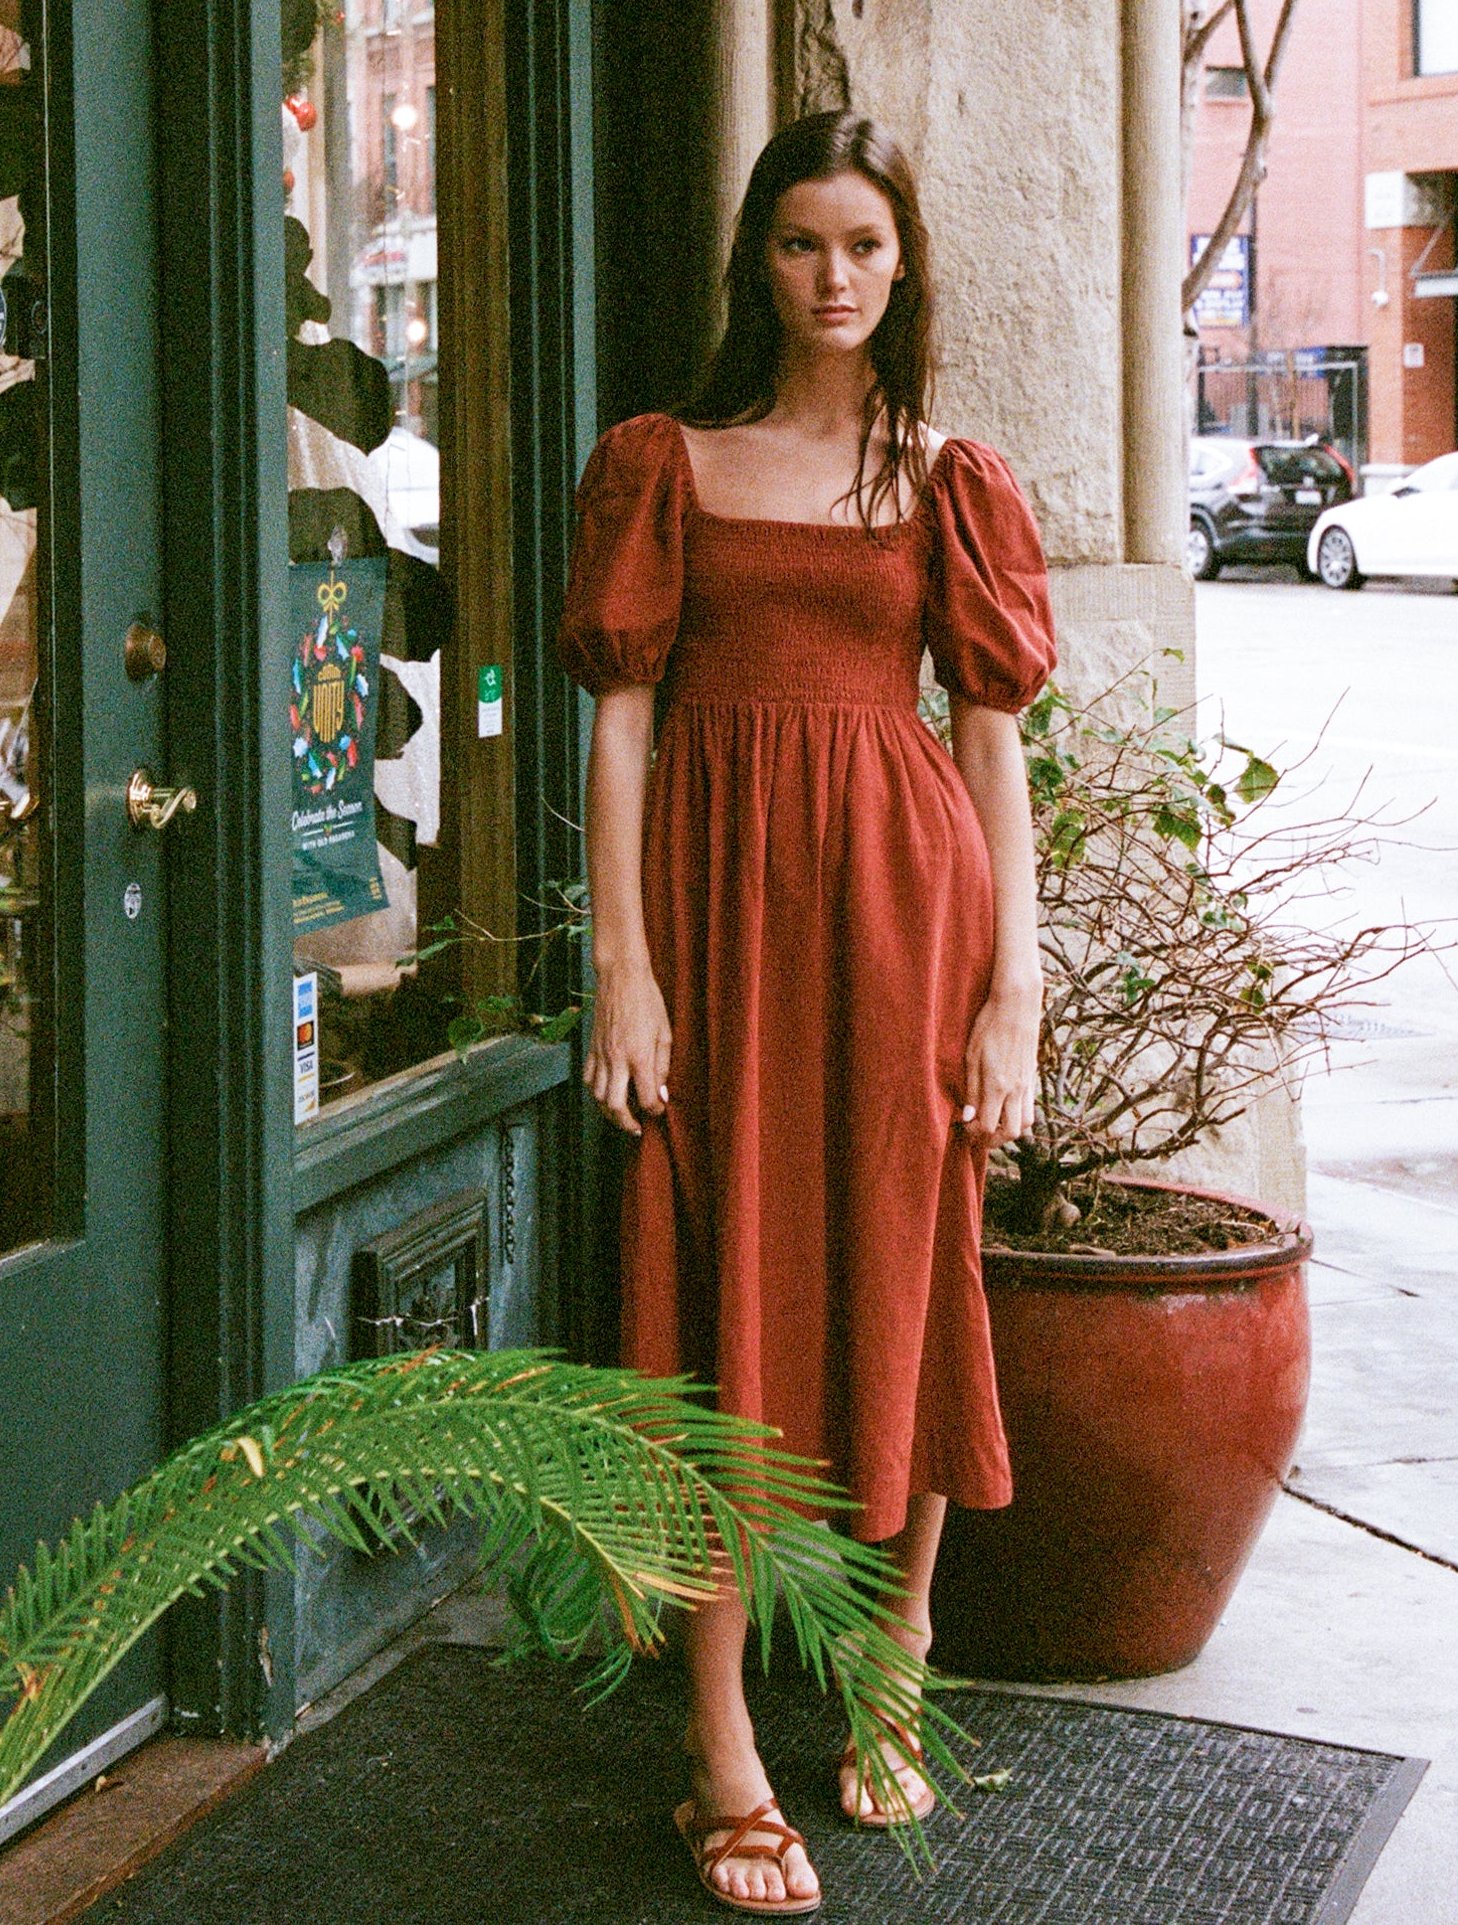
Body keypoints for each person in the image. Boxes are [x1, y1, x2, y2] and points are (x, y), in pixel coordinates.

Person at [558, 110, 1055, 1911]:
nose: (831, 278)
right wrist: (622, 966)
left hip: (904, 911)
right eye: (797, 246)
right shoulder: (662, 461)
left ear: (902, 261)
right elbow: (618, 725)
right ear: (752, 265)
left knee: (909, 1257)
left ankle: (889, 1654)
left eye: (860, 245)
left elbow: (991, 751)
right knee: (704, 1290)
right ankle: (717, 1752)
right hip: (710, 908)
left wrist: (1015, 984)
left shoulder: (952, 482)